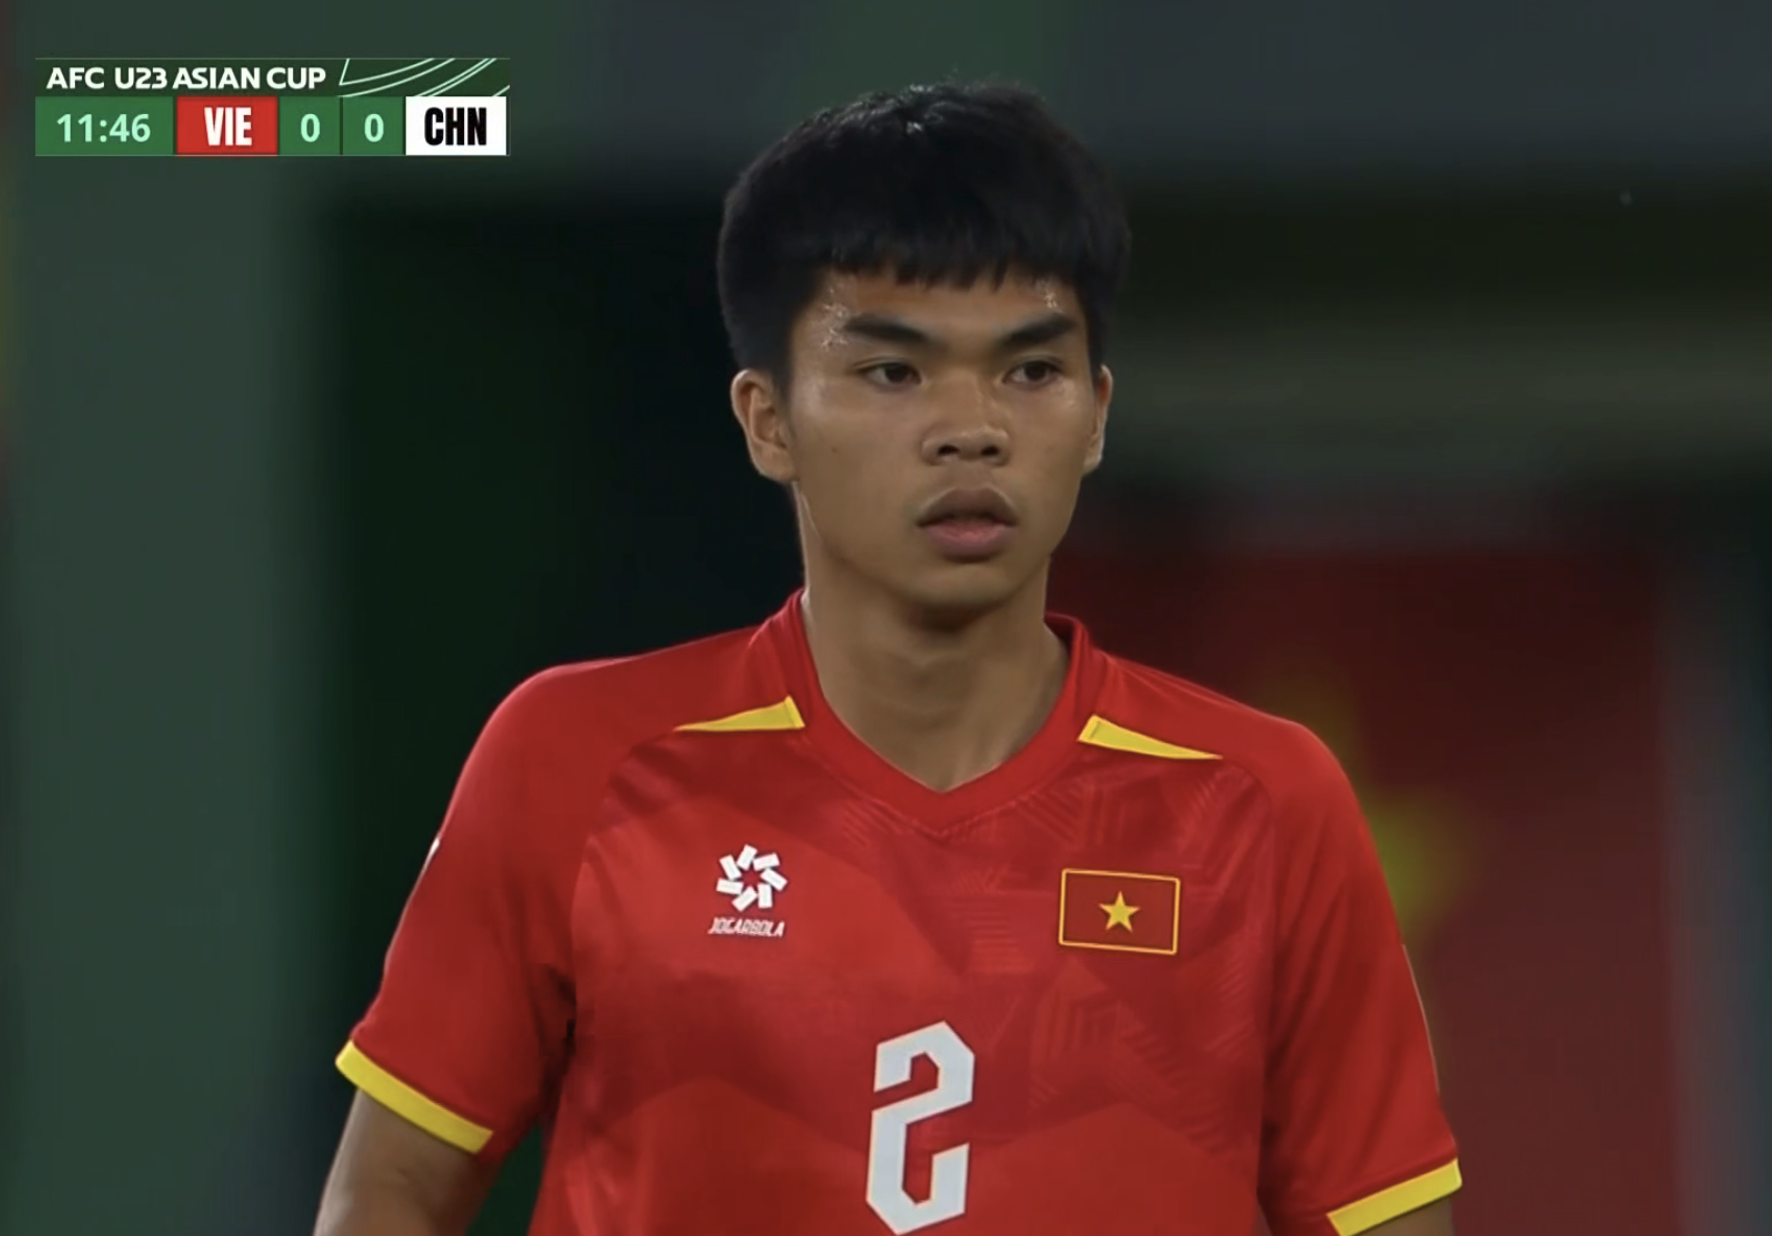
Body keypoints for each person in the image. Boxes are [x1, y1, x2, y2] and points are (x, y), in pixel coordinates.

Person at [312, 81, 1459, 1236]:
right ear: (767, 421)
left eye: (1029, 370)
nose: (972, 428)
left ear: (1097, 414)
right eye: (893, 372)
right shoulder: (578, 759)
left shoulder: (1262, 803)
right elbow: (389, 1192)